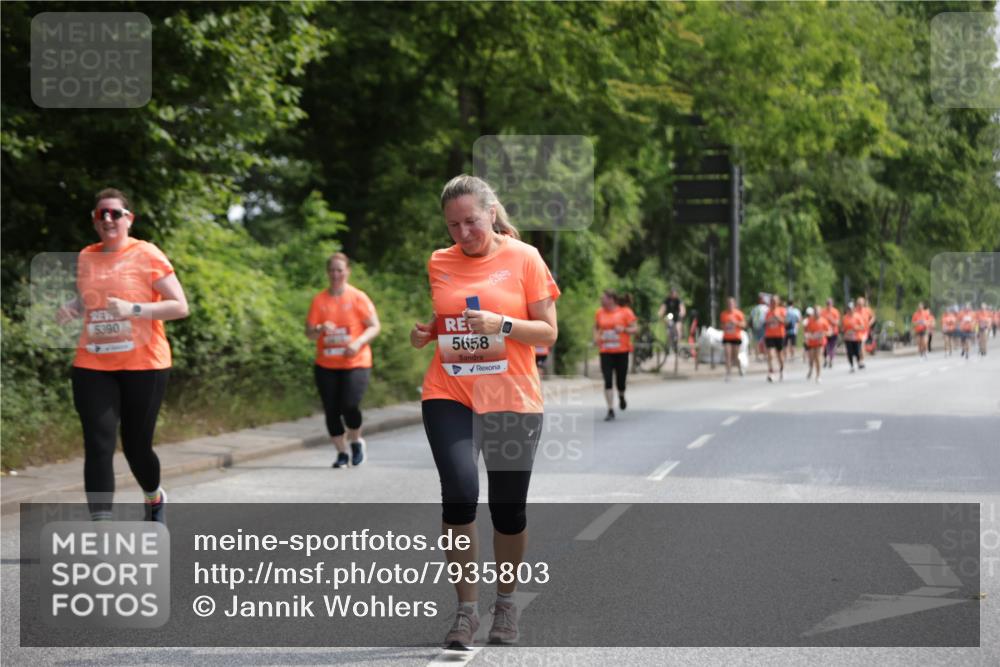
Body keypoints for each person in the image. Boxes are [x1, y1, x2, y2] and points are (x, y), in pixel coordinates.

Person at [410, 175, 559, 650]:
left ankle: (507, 604)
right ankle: (465, 611)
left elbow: (548, 333)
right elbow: (452, 316)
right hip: (449, 390)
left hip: (511, 396)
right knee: (458, 491)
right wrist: (429, 331)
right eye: (452, 225)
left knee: (507, 510)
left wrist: (503, 324)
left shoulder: (525, 258)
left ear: (492, 212)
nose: (462, 233)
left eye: (470, 221)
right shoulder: (439, 261)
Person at [55, 188, 189, 523]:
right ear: (94, 221)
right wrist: (72, 307)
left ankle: (153, 496)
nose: (109, 219)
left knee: (136, 447)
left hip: (144, 363)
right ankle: (101, 529)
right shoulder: (87, 256)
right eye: (102, 214)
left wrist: (135, 309)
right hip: (93, 362)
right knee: (98, 444)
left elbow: (179, 306)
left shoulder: (147, 254)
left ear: (129, 218)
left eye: (116, 213)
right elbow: (91, 298)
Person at [306, 252, 381, 469]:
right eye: (332, 270)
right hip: (326, 364)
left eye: (340, 270)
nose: (336, 274)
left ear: (347, 271)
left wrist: (357, 343)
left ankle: (356, 441)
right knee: (331, 409)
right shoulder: (319, 300)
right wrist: (319, 329)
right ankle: (341, 453)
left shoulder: (358, 297)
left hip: (355, 362)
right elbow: (309, 333)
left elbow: (374, 326)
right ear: (327, 272)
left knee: (349, 405)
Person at [594, 290, 638, 421]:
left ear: (611, 299)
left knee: (620, 380)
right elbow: (596, 327)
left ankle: (621, 396)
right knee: (607, 380)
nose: (601, 300)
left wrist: (624, 329)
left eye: (604, 298)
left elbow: (635, 329)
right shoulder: (599, 312)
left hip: (621, 351)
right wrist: (596, 337)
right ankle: (610, 409)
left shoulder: (625, 312)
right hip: (605, 351)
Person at [719, 297, 746, 381]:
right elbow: (721, 325)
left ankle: (739, 367)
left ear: (734, 304)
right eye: (728, 303)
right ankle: (728, 373)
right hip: (727, 337)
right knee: (728, 354)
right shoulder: (723, 314)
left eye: (731, 303)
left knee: (735, 356)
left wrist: (736, 323)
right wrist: (725, 326)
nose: (730, 305)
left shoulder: (739, 314)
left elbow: (744, 325)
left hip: (736, 337)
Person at [763, 294, 787, 382]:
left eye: (774, 301)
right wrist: (768, 321)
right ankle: (771, 372)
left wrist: (777, 317)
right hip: (769, 335)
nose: (772, 302)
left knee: (779, 355)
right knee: (770, 354)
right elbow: (765, 323)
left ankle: (782, 370)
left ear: (778, 302)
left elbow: (785, 322)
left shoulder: (782, 310)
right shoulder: (767, 312)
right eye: (771, 301)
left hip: (779, 335)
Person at [802, 306, 828, 383]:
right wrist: (808, 336)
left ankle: (818, 375)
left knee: (817, 358)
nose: (817, 313)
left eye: (818, 312)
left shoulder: (824, 321)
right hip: (811, 342)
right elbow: (806, 331)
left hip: (820, 342)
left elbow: (829, 331)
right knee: (811, 358)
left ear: (820, 312)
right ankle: (810, 369)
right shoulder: (809, 321)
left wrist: (822, 334)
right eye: (815, 312)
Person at [657, 287, 685, 355]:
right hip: (670, 317)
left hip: (677, 317)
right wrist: (660, 314)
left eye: (675, 294)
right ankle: (668, 347)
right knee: (668, 332)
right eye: (673, 294)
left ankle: (678, 347)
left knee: (678, 330)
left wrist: (682, 313)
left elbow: (682, 308)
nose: (674, 295)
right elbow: (663, 308)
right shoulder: (667, 300)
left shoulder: (679, 300)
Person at [841, 301, 864, 372]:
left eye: (851, 309)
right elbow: (842, 328)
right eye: (848, 309)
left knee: (857, 351)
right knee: (849, 352)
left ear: (853, 309)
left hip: (856, 337)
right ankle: (851, 365)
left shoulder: (857, 316)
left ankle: (858, 362)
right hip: (848, 338)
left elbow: (862, 326)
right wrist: (844, 332)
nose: (849, 310)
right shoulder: (845, 317)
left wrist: (856, 328)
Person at [820, 298, 841, 368]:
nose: (828, 305)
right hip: (825, 332)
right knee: (825, 346)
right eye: (827, 303)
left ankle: (831, 360)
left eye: (830, 303)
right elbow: (820, 321)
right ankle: (825, 359)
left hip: (833, 332)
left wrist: (831, 319)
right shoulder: (823, 312)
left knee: (832, 347)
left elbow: (837, 323)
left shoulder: (835, 311)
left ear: (832, 304)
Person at [855, 296, 874, 367]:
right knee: (857, 346)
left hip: (865, 331)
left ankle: (861, 360)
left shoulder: (867, 310)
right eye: (858, 303)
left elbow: (873, 317)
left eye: (861, 303)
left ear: (863, 303)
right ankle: (859, 359)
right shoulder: (855, 310)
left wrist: (870, 323)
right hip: (857, 331)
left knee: (861, 344)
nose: (859, 305)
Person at [750, 294, 769, 362]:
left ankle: (757, 356)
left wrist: (752, 326)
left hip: (755, 326)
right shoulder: (766, 308)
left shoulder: (754, 308)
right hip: (763, 326)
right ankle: (765, 356)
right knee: (764, 341)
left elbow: (751, 318)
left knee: (757, 341)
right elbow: (768, 317)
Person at [784, 298, 802, 362]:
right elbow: (799, 320)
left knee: (785, 344)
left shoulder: (785, 310)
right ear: (793, 304)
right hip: (793, 330)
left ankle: (785, 357)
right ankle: (792, 357)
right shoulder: (796, 311)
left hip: (785, 330)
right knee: (793, 344)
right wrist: (797, 327)